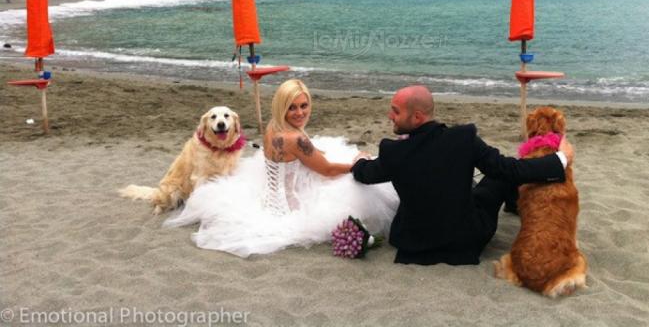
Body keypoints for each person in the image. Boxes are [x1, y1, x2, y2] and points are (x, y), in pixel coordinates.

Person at [165, 79, 398, 257]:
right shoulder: (296, 139)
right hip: (291, 209)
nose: (300, 113)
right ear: (282, 108)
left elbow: (303, 161)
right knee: (360, 184)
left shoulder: (273, 127)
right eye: (292, 108)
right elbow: (326, 170)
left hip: (271, 195)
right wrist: (357, 163)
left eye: (304, 106)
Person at [351, 85, 574, 266]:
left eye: (395, 111)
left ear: (417, 116)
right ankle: (514, 206)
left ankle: (511, 204)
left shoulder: (393, 151)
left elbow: (366, 174)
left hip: (413, 241)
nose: (390, 116)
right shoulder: (464, 138)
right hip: (467, 239)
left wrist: (359, 160)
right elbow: (510, 169)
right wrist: (561, 159)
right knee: (500, 174)